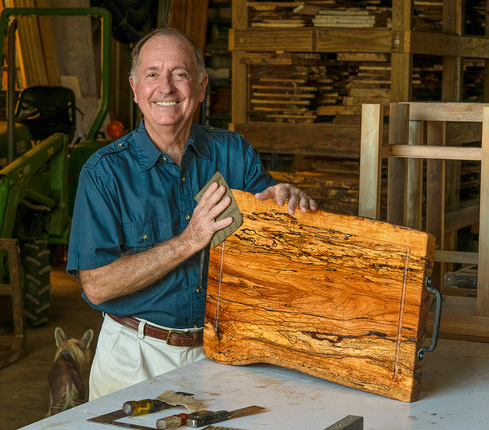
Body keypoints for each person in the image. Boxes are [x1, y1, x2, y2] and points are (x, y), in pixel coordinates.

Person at [66, 26, 317, 399]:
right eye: (153, 75)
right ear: (135, 89)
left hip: (223, 352)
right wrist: (188, 241)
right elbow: (98, 285)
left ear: (200, 87)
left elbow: (269, 250)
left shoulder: (234, 154)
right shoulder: (104, 174)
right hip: (135, 355)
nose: (165, 87)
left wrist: (284, 204)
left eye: (179, 74)